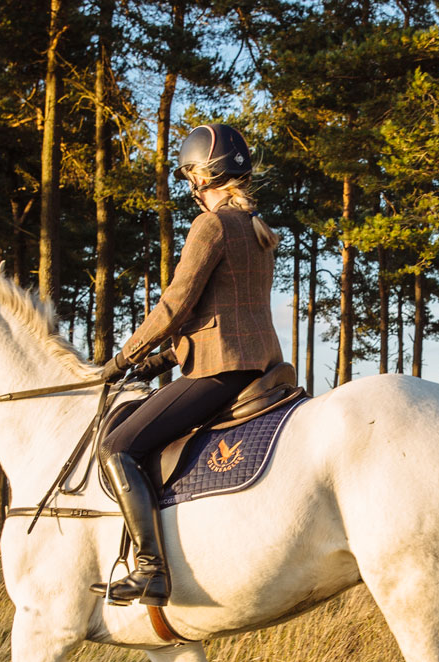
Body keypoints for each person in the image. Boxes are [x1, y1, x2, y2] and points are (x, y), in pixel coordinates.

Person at [90, 123, 284, 607]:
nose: (190, 187)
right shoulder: (257, 230)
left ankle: (151, 571)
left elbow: (175, 307)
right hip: (257, 364)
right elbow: (221, 318)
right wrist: (159, 360)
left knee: (117, 446)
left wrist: (122, 358)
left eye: (191, 176)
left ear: (202, 177)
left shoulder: (212, 225)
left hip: (221, 371)